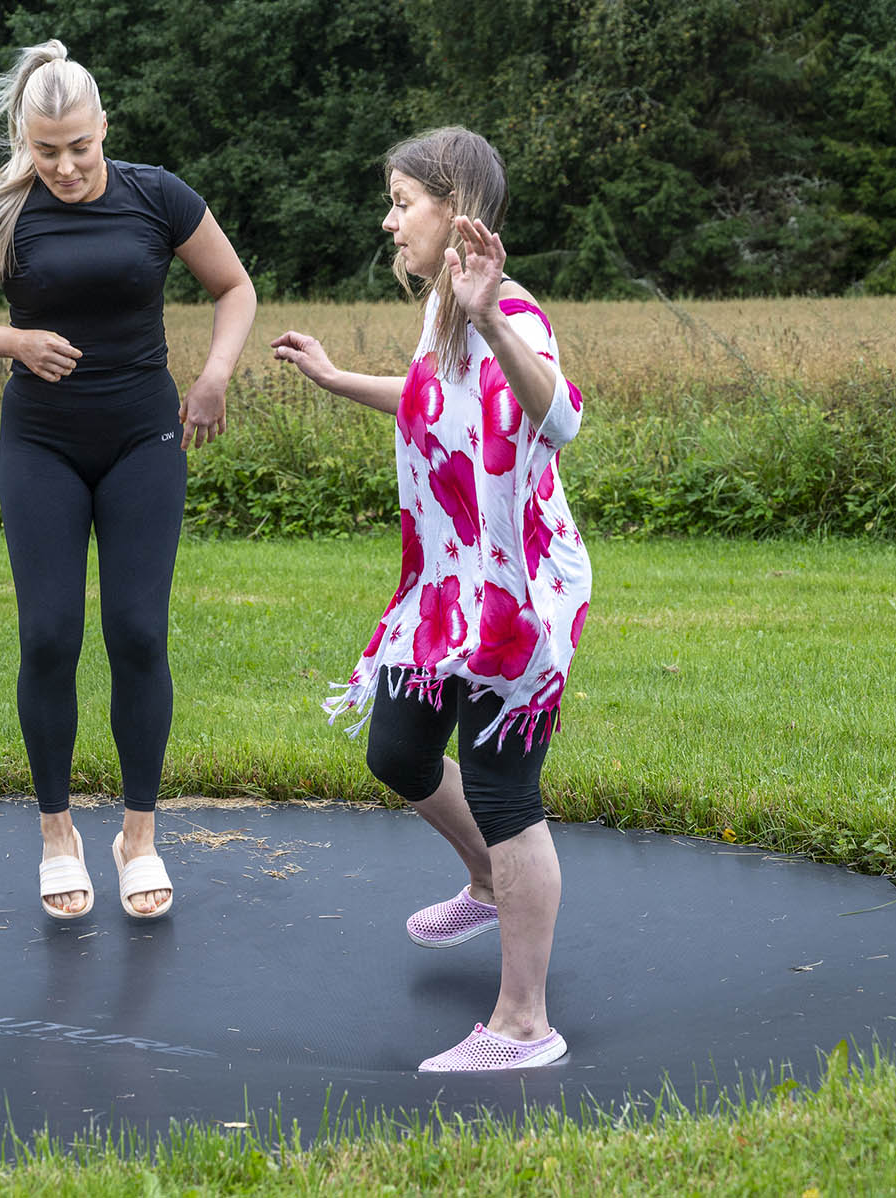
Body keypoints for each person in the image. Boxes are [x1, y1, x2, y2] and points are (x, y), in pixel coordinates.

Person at [271, 127, 590, 1070]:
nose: (389, 219)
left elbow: (559, 414)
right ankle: (488, 884)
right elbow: (430, 395)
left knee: (503, 791)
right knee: (400, 749)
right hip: (447, 592)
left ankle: (524, 1026)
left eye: (403, 201)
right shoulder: (441, 318)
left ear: (459, 214)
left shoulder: (509, 315)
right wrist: (337, 380)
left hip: (518, 604)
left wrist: (489, 314)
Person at [0, 40, 255, 921]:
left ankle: (138, 838)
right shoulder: (5, 214)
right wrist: (15, 341)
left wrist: (215, 374)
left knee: (140, 631)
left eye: (79, 147)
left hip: (146, 436)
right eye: (46, 150)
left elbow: (233, 287)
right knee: (49, 636)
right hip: (42, 445)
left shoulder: (157, 194)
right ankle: (58, 834)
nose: (65, 167)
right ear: (25, 142)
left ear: (104, 127)